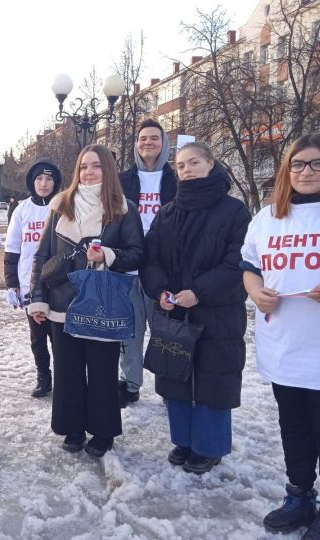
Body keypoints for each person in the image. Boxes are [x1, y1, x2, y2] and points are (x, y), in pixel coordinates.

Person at [241, 133, 320, 539]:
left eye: (317, 163)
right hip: (285, 346)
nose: (306, 172)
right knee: (294, 429)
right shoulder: (269, 217)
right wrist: (253, 290)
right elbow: (248, 265)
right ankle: (299, 495)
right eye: (297, 164)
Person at [28, 144, 145, 457]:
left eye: (96, 166)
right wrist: (38, 299)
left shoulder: (124, 208)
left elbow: (138, 253)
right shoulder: (60, 204)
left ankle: (103, 432)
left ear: (107, 170)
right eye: (83, 167)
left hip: (101, 304)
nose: (89, 172)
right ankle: (74, 427)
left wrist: (109, 254)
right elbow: (42, 256)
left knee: (103, 370)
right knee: (67, 370)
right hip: (61, 304)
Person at [140, 142, 251, 475]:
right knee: (175, 375)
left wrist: (199, 292)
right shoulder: (169, 211)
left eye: (194, 163)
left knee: (212, 378)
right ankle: (183, 440)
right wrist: (160, 290)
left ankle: (209, 447)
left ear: (211, 164)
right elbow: (152, 257)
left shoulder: (234, 211)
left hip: (217, 312)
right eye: (181, 166)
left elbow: (239, 261)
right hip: (175, 310)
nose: (187, 170)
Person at [117, 118, 178, 408]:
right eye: (143, 138)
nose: (148, 143)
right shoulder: (123, 180)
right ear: (136, 144)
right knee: (131, 330)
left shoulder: (176, 179)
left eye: (154, 138)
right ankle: (130, 384)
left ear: (164, 143)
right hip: (129, 265)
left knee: (163, 329)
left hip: (163, 267)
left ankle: (168, 385)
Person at [4, 157, 62, 397]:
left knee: (59, 337)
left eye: (49, 178)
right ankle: (43, 377)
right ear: (32, 181)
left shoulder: (62, 205)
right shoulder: (22, 209)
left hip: (58, 284)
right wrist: (12, 283)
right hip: (30, 283)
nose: (44, 183)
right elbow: (12, 247)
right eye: (39, 178)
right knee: (38, 338)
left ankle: (64, 377)